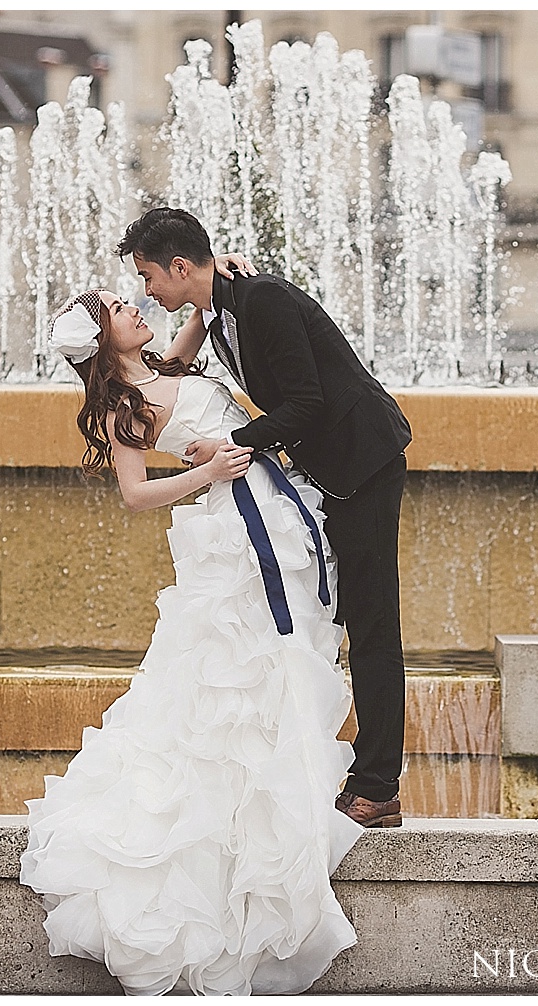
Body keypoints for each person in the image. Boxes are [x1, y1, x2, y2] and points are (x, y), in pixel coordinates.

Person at [18, 276, 364, 996]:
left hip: (270, 505)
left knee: (281, 653)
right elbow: (136, 493)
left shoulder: (172, 363)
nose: (134, 306)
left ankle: (284, 773)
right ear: (105, 342)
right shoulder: (126, 410)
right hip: (227, 533)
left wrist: (222, 276)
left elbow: (204, 312)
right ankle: (240, 814)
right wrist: (206, 469)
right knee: (232, 668)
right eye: (118, 310)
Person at [118, 208, 412, 829]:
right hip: (327, 472)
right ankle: (332, 767)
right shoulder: (223, 308)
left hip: (363, 460)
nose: (146, 292)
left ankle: (379, 784)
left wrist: (232, 445)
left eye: (148, 277)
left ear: (178, 267)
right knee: (336, 614)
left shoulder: (263, 300)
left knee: (372, 617)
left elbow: (307, 402)